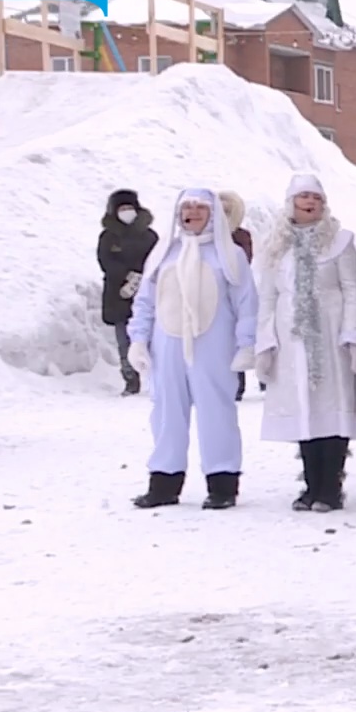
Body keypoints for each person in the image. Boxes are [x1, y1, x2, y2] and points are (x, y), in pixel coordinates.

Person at [128, 187, 259, 510]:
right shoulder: (164, 253)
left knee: (217, 412)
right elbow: (145, 301)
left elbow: (247, 304)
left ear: (213, 213)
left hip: (213, 347)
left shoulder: (229, 255)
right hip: (167, 346)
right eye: (187, 207)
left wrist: (246, 344)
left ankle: (222, 483)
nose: (193, 213)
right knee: (166, 412)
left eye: (200, 207)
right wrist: (138, 340)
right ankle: (164, 483)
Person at [254, 174, 356, 512]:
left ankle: (331, 486)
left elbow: (352, 291)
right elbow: (268, 297)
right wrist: (265, 341)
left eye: (316, 198)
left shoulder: (340, 241)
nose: (310, 203)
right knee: (303, 410)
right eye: (303, 197)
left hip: (330, 336)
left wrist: (353, 335)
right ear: (291, 202)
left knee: (331, 409)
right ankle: (310, 484)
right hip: (292, 340)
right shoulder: (277, 244)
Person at [98, 189, 158, 397]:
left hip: (149, 294)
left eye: (129, 208)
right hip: (119, 295)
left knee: (152, 337)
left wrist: (141, 276)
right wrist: (126, 276)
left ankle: (157, 376)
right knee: (124, 340)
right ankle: (130, 378)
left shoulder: (149, 236)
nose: (126, 212)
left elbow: (157, 260)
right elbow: (106, 261)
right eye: (122, 209)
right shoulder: (108, 237)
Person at [220, 191, 257, 403]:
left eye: (228, 211)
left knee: (235, 340)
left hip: (234, 296)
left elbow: (242, 263)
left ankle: (237, 384)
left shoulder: (241, 237)